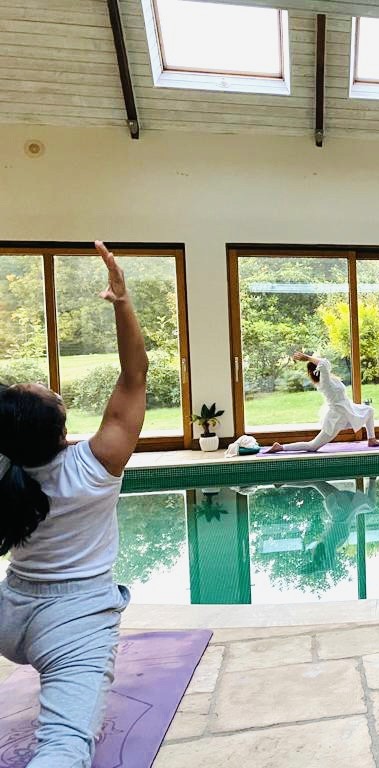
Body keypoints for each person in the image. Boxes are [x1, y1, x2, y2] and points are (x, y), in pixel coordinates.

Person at [0, 242, 146, 766]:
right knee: (63, 745)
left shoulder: (6, 471)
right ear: (61, 425)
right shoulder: (96, 464)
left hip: (9, 609)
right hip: (75, 620)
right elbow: (134, 377)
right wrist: (122, 302)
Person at [268, 352, 379, 453]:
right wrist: (308, 358)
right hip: (336, 418)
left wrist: (310, 359)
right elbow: (324, 364)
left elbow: (325, 364)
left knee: (369, 410)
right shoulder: (324, 383)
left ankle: (372, 440)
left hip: (348, 410)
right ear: (317, 370)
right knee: (313, 446)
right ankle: (281, 447)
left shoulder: (331, 379)